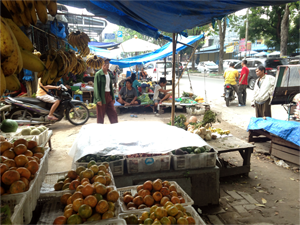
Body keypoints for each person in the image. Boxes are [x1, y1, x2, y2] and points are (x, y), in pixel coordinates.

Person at [94, 58, 118, 124]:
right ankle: (100, 130)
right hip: (102, 96)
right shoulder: (98, 74)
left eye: (107, 63)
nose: (105, 65)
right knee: (100, 115)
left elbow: (110, 87)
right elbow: (96, 88)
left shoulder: (109, 74)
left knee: (113, 113)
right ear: (101, 64)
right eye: (104, 63)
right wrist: (98, 99)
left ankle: (115, 127)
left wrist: (113, 97)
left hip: (109, 96)